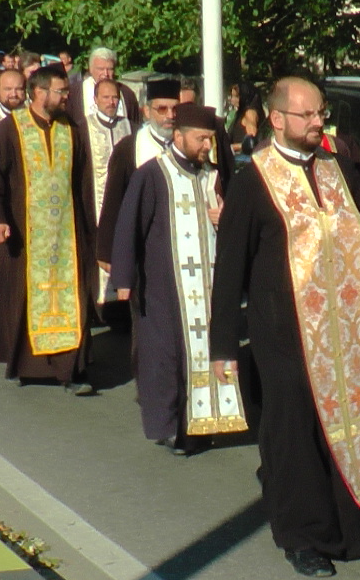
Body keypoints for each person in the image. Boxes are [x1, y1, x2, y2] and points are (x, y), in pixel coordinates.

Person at [209, 77, 360, 577]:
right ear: (277, 118)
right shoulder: (254, 179)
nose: (316, 123)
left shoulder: (340, 170)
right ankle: (302, 536)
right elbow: (230, 267)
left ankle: (344, 523)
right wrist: (223, 345)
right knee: (292, 433)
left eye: (320, 113)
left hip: (340, 330)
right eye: (306, 115)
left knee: (339, 424)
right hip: (280, 329)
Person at [111, 101, 243, 454]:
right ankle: (169, 427)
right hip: (163, 286)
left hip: (209, 284)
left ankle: (202, 424)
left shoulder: (213, 175)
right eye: (201, 139)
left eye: (210, 140)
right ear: (179, 135)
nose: (206, 147)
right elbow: (128, 227)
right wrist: (123, 278)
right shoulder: (152, 174)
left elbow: (233, 222)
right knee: (165, 359)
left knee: (206, 354)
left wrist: (225, 219)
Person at [0, 65, 96, 392]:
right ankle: (31, 366)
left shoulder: (71, 128)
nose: (66, 97)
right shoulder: (9, 129)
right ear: (40, 92)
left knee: (74, 299)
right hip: (25, 234)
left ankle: (74, 370)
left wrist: (92, 234)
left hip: (69, 235)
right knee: (28, 299)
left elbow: (83, 183)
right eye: (61, 91)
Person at [95, 79, 182, 279]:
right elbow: (114, 198)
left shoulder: (186, 145)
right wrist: (107, 250)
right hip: (143, 243)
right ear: (147, 111)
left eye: (175, 109)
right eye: (162, 109)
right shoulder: (130, 147)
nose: (170, 116)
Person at [81, 76, 132, 310]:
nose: (111, 102)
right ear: (95, 99)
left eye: (115, 97)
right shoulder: (84, 127)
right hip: (94, 200)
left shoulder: (129, 126)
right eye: (106, 97)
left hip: (123, 201)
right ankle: (97, 303)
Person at [66, 46, 138, 128]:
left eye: (110, 69)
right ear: (90, 69)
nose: (106, 74)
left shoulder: (126, 94)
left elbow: (135, 125)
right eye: (101, 69)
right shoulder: (74, 93)